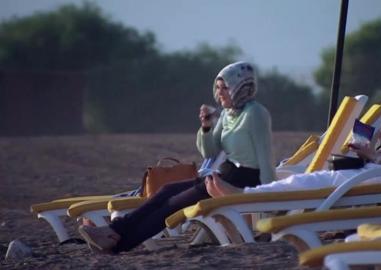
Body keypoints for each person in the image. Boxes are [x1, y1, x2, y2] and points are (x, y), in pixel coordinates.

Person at [78, 61, 276, 253]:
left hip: (244, 179)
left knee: (173, 205)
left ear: (240, 87)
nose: (219, 93)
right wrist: (206, 127)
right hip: (223, 175)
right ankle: (114, 232)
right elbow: (210, 152)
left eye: (225, 88)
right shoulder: (227, 114)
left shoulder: (256, 114)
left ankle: (118, 241)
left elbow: (266, 158)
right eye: (218, 87)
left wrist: (268, 199)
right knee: (166, 191)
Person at [208, 66, 381, 196]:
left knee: (312, 180)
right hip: (373, 169)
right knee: (309, 178)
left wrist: (372, 155)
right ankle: (248, 195)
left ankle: (246, 196)